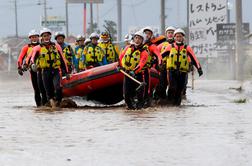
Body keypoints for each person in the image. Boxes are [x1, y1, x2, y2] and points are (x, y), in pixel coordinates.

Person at [29, 28, 70, 108]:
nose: (46, 37)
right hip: (45, 72)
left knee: (57, 88)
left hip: (55, 71)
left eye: (47, 36)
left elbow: (63, 60)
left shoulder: (56, 46)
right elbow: (32, 59)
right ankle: (50, 105)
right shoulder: (38, 48)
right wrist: (32, 64)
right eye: (44, 36)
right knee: (48, 91)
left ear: (50, 36)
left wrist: (67, 72)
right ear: (42, 37)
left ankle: (58, 103)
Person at [162, 28, 203, 105]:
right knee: (172, 87)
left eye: (180, 36)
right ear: (174, 38)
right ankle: (169, 104)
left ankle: (177, 106)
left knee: (179, 89)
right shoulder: (170, 47)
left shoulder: (187, 48)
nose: (178, 38)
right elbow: (161, 56)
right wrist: (156, 62)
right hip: (172, 71)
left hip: (182, 72)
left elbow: (194, 59)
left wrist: (199, 68)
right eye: (177, 36)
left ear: (183, 38)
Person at [17, 29, 47, 107]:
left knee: (44, 89)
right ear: (30, 38)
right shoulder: (26, 48)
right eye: (32, 37)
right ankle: (39, 107)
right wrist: (19, 67)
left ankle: (46, 106)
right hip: (33, 71)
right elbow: (20, 58)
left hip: (44, 70)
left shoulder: (43, 46)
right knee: (36, 90)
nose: (34, 39)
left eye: (35, 37)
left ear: (39, 37)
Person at [119, 31, 149, 109]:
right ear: (133, 39)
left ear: (142, 40)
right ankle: (130, 109)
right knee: (126, 94)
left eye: (139, 38)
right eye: (136, 38)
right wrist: (120, 66)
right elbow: (121, 57)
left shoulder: (144, 52)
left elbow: (141, 64)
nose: (137, 40)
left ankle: (139, 108)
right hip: (127, 73)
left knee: (139, 95)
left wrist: (134, 71)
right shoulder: (127, 48)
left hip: (138, 75)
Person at [154, 26, 176, 100]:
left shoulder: (178, 45)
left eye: (172, 33)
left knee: (173, 86)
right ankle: (161, 100)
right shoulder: (161, 45)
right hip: (163, 67)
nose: (170, 34)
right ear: (166, 34)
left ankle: (172, 100)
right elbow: (156, 54)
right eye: (169, 33)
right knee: (161, 85)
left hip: (174, 68)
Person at [142, 26, 163, 106]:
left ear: (151, 36)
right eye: (145, 33)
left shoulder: (152, 46)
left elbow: (159, 55)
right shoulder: (136, 44)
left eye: (149, 34)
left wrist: (160, 62)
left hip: (149, 69)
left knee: (148, 88)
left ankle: (149, 100)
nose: (147, 35)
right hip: (137, 69)